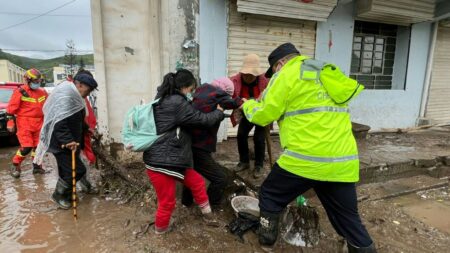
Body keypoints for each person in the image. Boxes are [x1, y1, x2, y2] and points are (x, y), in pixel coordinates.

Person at [241, 43, 376, 252]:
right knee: (348, 218)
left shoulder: (287, 74)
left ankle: (266, 241)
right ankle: (362, 247)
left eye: (275, 68)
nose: (275, 72)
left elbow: (263, 115)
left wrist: (247, 105)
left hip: (304, 159)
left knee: (269, 194)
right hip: (341, 162)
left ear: (281, 63)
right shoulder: (327, 72)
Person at [144, 69, 225, 234]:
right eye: (191, 89)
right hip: (162, 163)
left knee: (197, 182)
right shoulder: (177, 102)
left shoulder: (164, 99)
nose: (192, 94)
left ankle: (208, 216)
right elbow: (202, 120)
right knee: (167, 202)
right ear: (185, 87)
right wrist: (219, 112)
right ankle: (160, 232)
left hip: (172, 158)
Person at [34, 74, 98, 209]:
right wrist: (68, 140)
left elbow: (78, 118)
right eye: (89, 89)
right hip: (61, 143)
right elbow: (59, 121)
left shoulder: (75, 96)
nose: (89, 93)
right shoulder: (67, 96)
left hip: (70, 142)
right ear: (80, 84)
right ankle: (58, 195)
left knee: (67, 170)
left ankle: (67, 193)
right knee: (77, 170)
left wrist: (87, 129)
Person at [182, 77, 243, 208]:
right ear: (225, 91)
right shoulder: (218, 94)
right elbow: (234, 102)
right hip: (200, 145)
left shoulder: (200, 90)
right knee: (220, 178)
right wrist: (245, 101)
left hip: (188, 142)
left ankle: (185, 203)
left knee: (191, 173)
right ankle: (211, 204)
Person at [230, 54, 269, 178]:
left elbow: (271, 98)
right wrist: (241, 102)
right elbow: (232, 97)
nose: (248, 77)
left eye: (251, 75)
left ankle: (259, 165)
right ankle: (244, 161)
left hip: (261, 113)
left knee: (259, 138)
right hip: (246, 111)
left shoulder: (265, 80)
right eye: (245, 74)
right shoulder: (235, 80)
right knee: (241, 134)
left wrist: (261, 100)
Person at [7, 68, 48, 178]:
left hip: (40, 123)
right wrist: (10, 123)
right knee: (27, 147)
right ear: (27, 80)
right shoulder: (20, 92)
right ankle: (15, 164)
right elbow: (11, 110)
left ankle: (37, 166)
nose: (37, 84)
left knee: (38, 147)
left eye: (39, 82)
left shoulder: (42, 92)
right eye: (35, 82)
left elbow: (48, 106)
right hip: (25, 123)